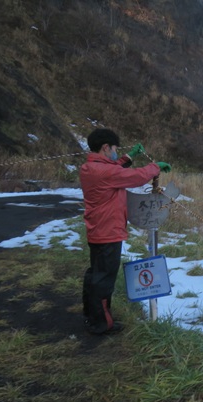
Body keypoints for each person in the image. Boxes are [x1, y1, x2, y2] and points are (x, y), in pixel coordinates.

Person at [80, 128, 171, 335]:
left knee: (95, 274)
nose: (116, 152)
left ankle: (91, 314)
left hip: (98, 230)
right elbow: (136, 177)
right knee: (104, 279)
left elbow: (115, 169)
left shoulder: (91, 167)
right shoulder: (104, 172)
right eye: (114, 149)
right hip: (108, 232)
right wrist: (155, 167)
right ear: (105, 147)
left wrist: (129, 157)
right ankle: (101, 323)